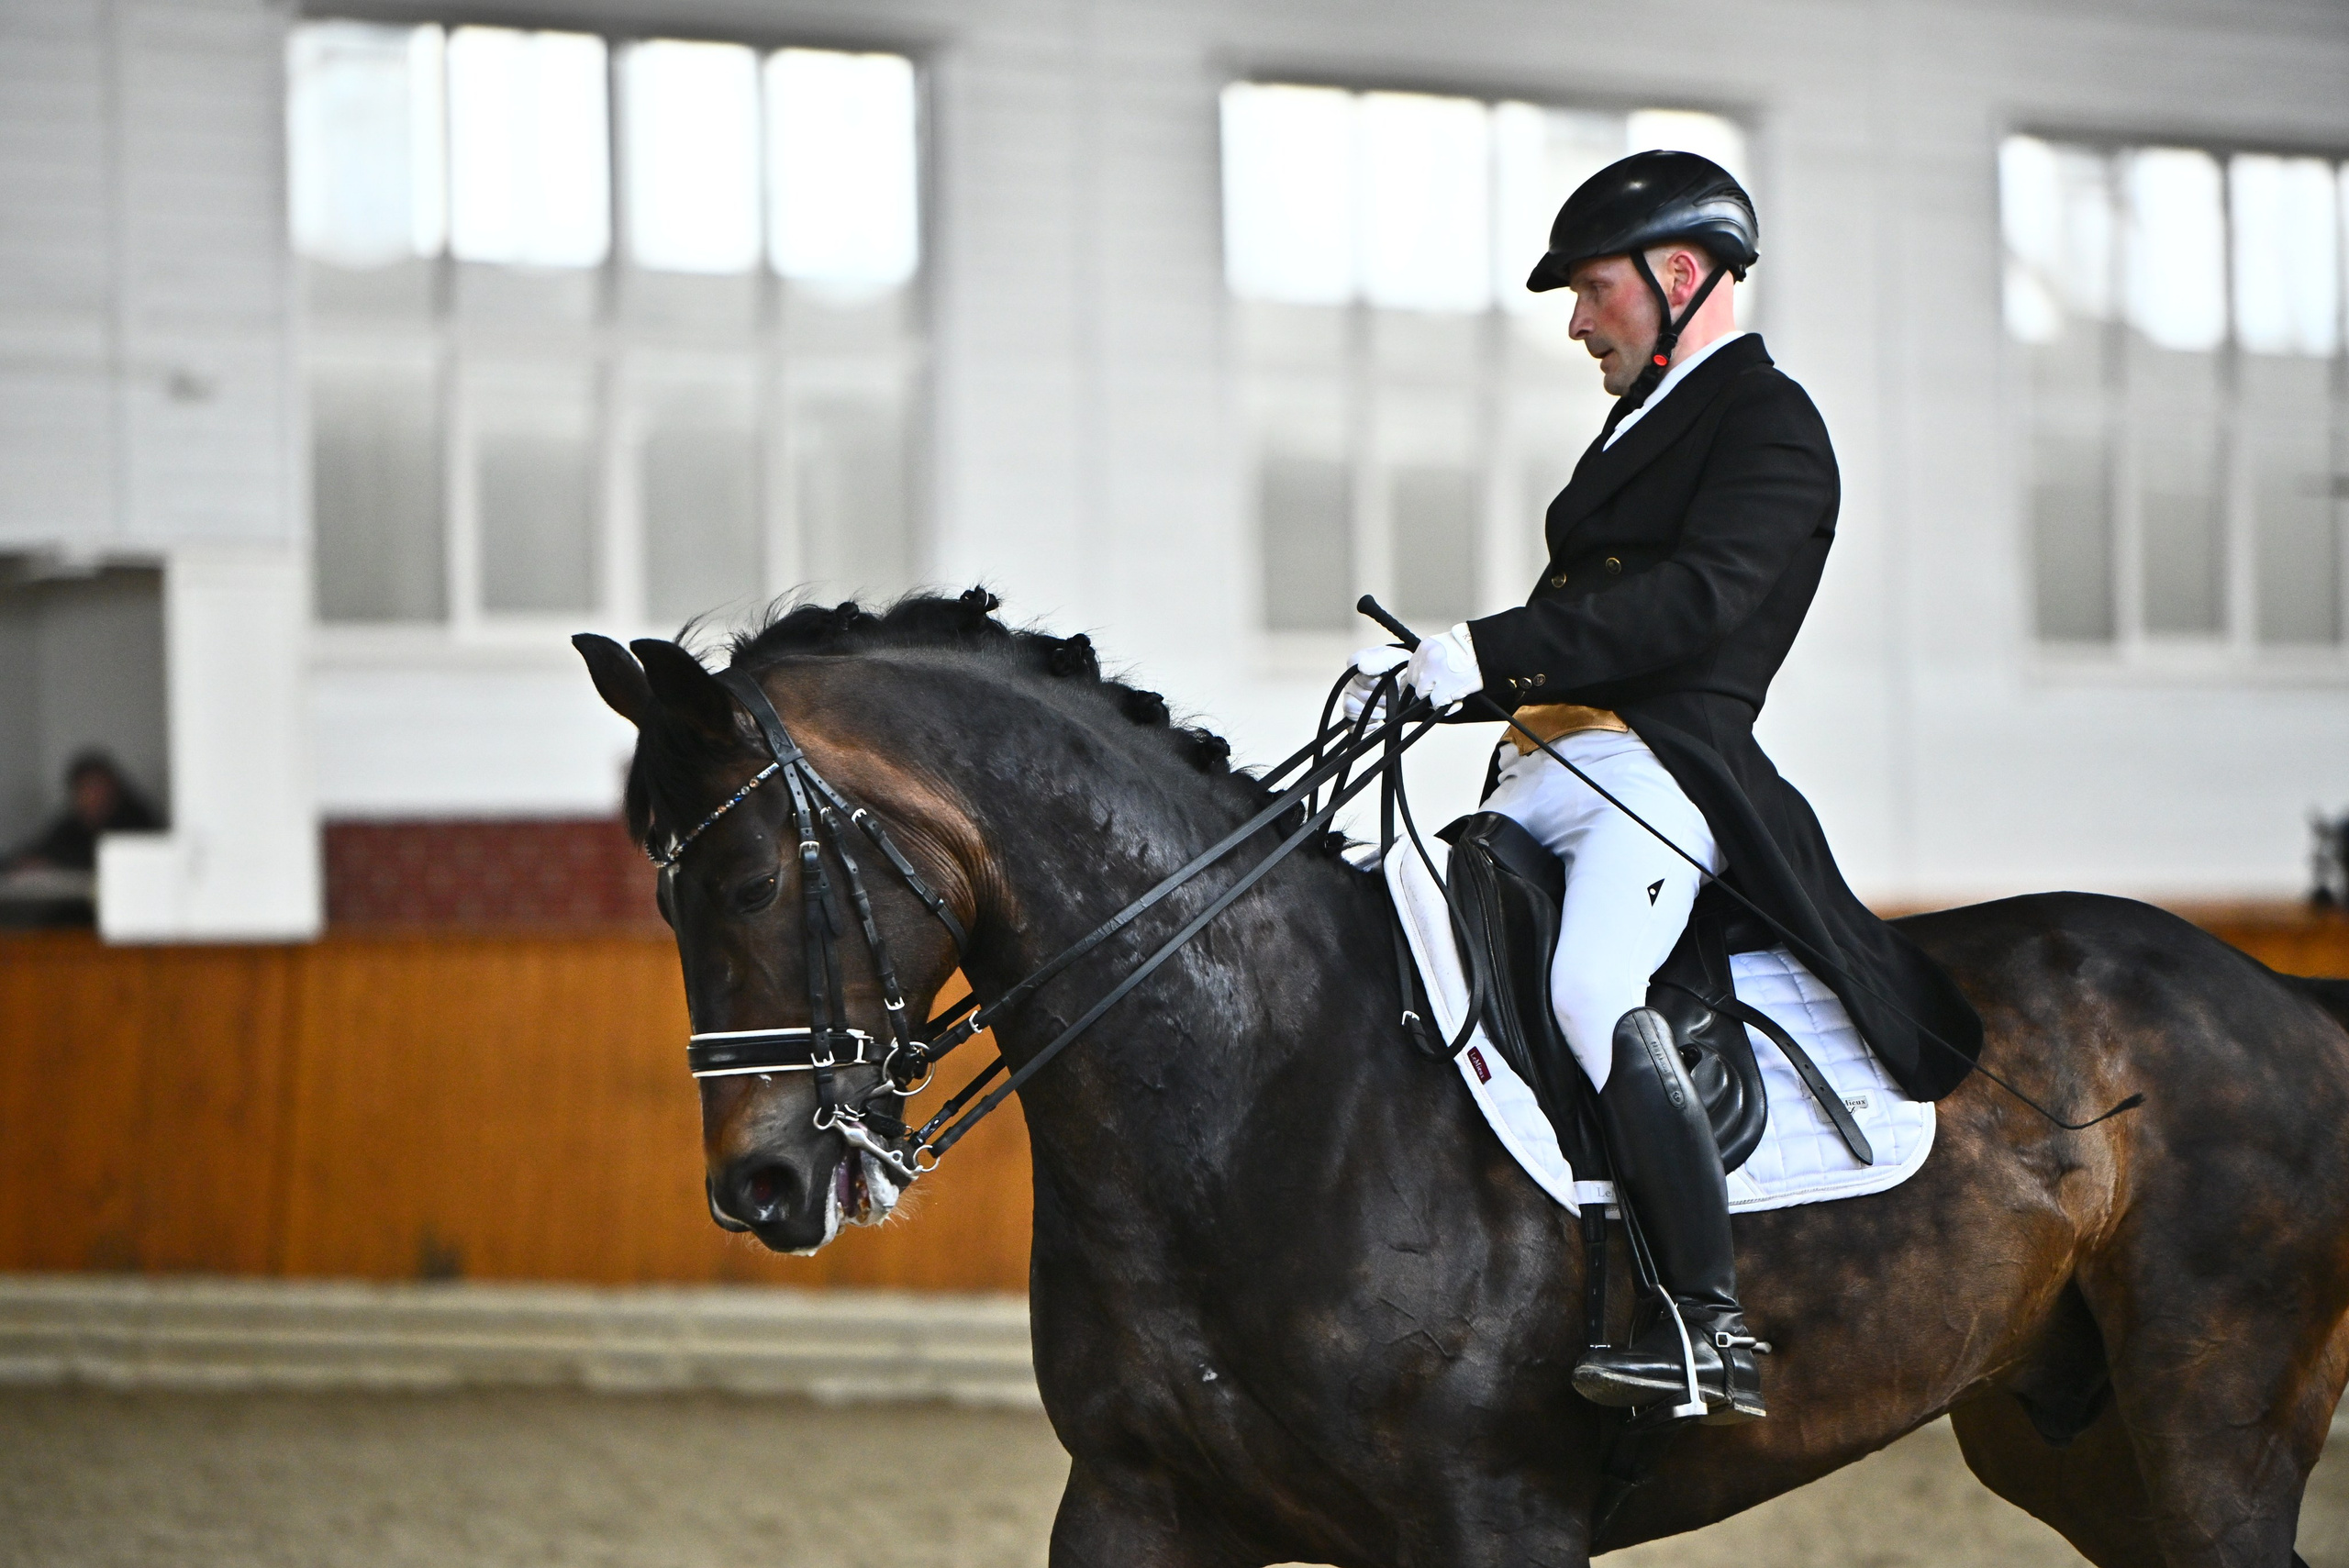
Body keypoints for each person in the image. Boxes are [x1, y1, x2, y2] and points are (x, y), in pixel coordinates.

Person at [1343, 150, 1983, 1423]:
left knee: (1591, 984)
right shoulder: (1643, 421)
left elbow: (1693, 608)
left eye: (1593, 291)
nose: (1579, 323)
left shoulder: (1768, 423)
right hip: (1544, 762)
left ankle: (1707, 1326)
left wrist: (1492, 646)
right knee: (1389, 931)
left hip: (1658, 769)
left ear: (1679, 276)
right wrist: (1424, 682)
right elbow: (1595, 618)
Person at [6, 751, 161, 873]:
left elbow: (121, 860)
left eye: (97, 787)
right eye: (84, 789)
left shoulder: (137, 820)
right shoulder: (72, 825)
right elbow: (39, 852)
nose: (92, 796)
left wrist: (58, 863)